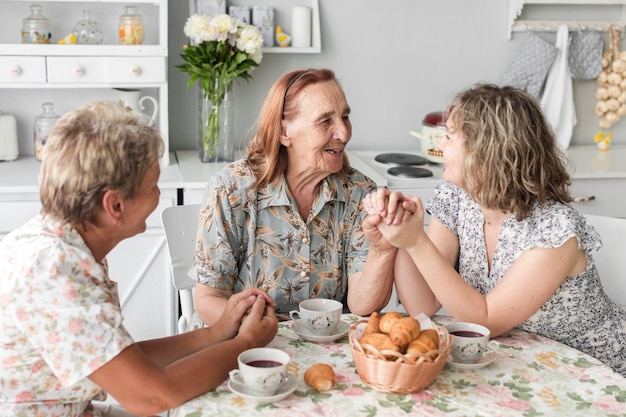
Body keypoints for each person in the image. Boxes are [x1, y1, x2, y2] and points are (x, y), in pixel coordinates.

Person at [0, 100, 278, 417]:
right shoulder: (52, 271)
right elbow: (151, 396)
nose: (158, 194)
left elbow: (123, 359)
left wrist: (215, 334)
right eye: (153, 185)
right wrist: (246, 345)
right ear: (115, 206)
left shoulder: (63, 246)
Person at [364, 83, 626, 376]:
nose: (441, 144)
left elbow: (485, 320)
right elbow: (422, 304)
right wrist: (401, 231)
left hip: (593, 370)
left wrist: (417, 242)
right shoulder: (456, 198)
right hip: (519, 363)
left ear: (484, 152)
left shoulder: (554, 229)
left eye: (449, 136)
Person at [190, 68, 413, 326]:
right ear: (284, 132)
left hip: (323, 345)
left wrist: (382, 250)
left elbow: (362, 306)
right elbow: (209, 299)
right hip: (246, 342)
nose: (344, 133)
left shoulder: (359, 192)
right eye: (325, 121)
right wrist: (261, 328)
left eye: (345, 117)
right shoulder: (232, 190)